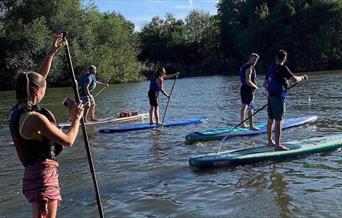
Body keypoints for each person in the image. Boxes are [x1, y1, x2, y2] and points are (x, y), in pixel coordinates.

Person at [8, 33, 84, 218]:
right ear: (35, 92)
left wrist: (51, 53)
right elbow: (68, 141)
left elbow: (37, 78)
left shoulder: (17, 110)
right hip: (43, 176)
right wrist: (76, 118)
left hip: (33, 174)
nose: (45, 90)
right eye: (43, 89)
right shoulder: (35, 119)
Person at [263, 49, 308, 151]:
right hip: (278, 98)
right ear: (285, 58)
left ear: (276, 57)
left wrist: (270, 92)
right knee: (279, 121)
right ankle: (277, 145)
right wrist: (303, 77)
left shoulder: (270, 68)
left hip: (270, 97)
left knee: (270, 120)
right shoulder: (283, 68)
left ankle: (270, 141)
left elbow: (264, 84)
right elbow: (294, 80)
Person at [240, 53, 260, 130]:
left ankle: (243, 124)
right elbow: (248, 81)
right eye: (254, 60)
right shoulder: (249, 68)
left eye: (256, 60)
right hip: (249, 90)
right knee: (251, 108)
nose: (255, 62)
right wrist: (256, 86)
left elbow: (246, 79)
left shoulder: (243, 66)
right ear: (250, 58)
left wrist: (255, 80)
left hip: (243, 89)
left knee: (244, 107)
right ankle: (251, 126)